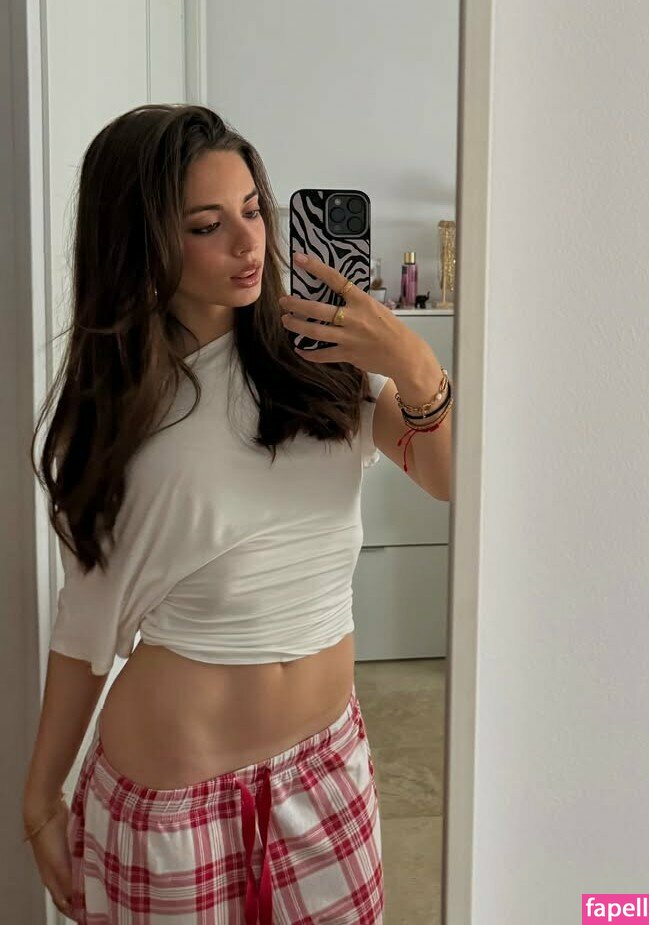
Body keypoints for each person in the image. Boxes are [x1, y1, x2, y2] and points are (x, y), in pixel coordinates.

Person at [22, 103, 453, 923]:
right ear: (142, 240)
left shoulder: (322, 364)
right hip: (170, 802)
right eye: (206, 225)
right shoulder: (115, 415)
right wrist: (41, 792)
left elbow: (449, 477)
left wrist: (416, 366)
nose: (249, 243)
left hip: (327, 770)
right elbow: (85, 626)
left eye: (254, 210)